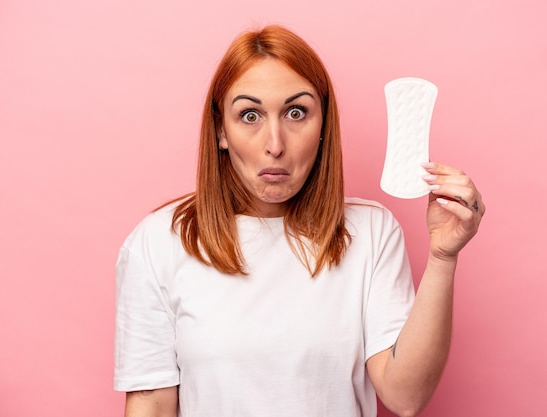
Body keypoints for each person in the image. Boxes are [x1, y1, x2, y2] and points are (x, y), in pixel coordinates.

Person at [114, 25, 485, 417]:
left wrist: (443, 257)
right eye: (249, 115)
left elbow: (405, 397)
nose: (275, 143)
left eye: (296, 113)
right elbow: (151, 406)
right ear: (221, 129)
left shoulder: (371, 232)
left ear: (323, 125)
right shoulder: (157, 243)